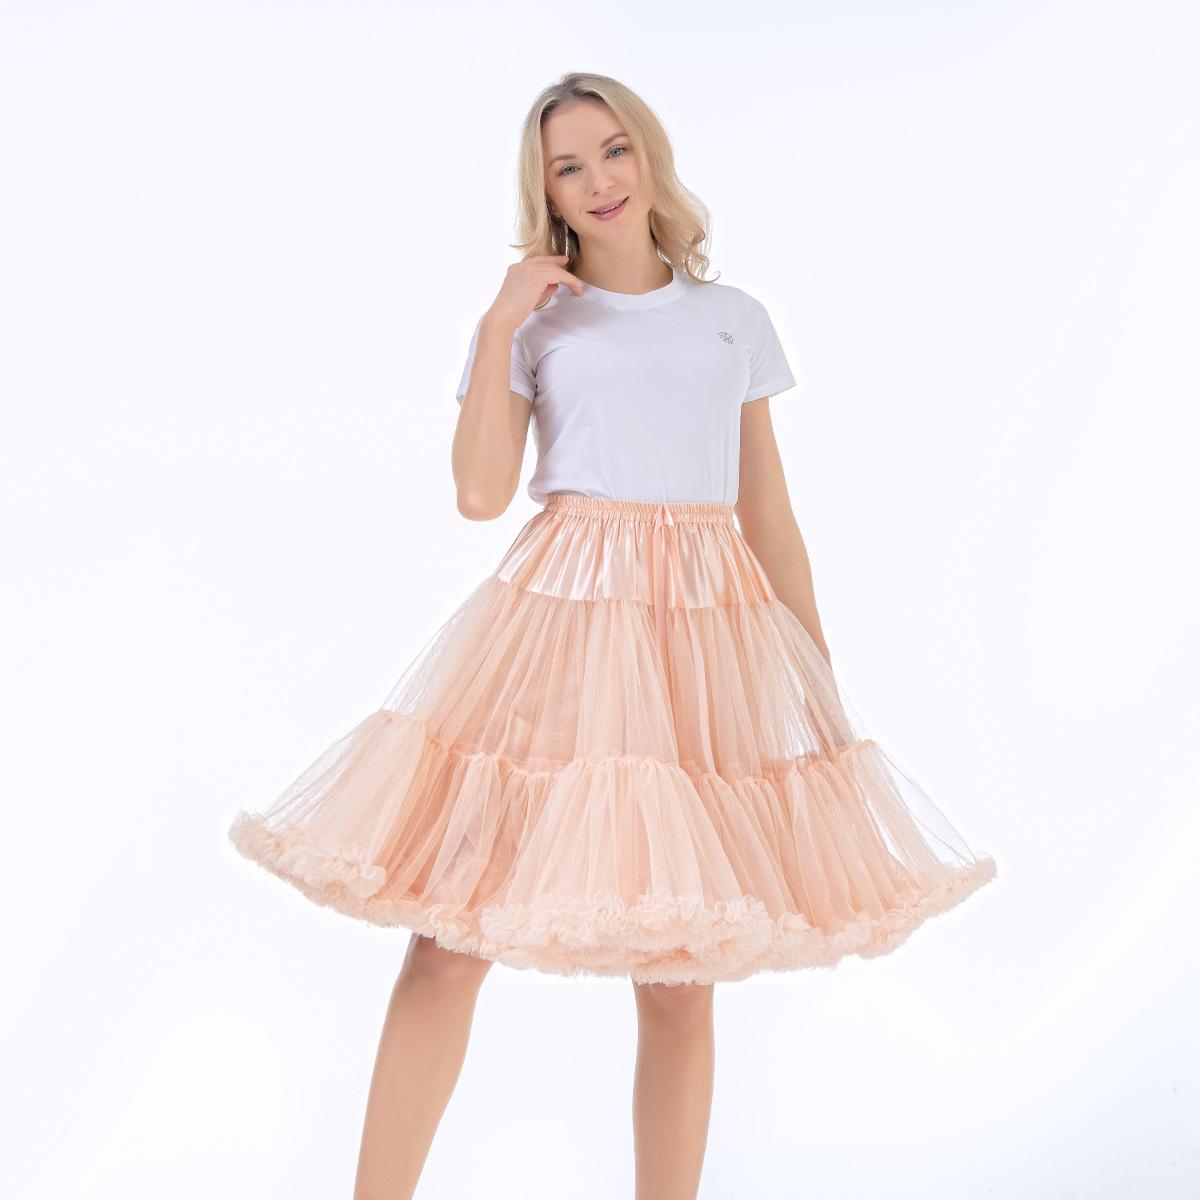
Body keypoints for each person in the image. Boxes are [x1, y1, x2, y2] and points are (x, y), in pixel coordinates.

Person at [228, 72, 997, 1200]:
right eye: (568, 166)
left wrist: (811, 671)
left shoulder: (733, 319)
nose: (598, 180)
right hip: (564, 628)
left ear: (650, 156)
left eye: (614, 150)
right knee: (450, 933)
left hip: (701, 640)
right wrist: (500, 322)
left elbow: (767, 512)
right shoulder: (536, 322)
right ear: (544, 192)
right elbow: (480, 495)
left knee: (682, 966)